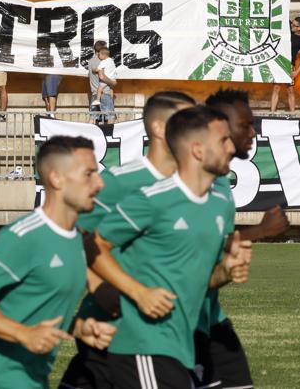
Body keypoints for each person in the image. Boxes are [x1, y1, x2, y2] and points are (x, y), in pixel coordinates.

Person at [91, 106, 252, 388]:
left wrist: (225, 271)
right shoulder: (152, 200)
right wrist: (138, 293)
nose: (231, 148)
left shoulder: (217, 203)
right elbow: (93, 244)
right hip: (143, 346)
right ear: (197, 150)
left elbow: (197, 280)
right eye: (223, 141)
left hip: (182, 346)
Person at [59, 91, 196, 389]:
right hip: (119, 329)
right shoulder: (119, 182)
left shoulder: (197, 185)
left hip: (170, 330)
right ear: (159, 128)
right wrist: (100, 289)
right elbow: (72, 236)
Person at [0, 136, 113, 389]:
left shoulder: (77, 237)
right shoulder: (25, 236)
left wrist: (78, 328)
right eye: (89, 174)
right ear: (56, 178)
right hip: (0, 382)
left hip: (35, 380)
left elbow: (39, 307)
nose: (99, 183)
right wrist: (24, 335)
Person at [199, 89, 292, 389]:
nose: (253, 132)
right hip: (183, 325)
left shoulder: (219, 182)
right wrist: (260, 231)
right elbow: (193, 246)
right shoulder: (189, 183)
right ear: (220, 128)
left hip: (212, 317)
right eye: (246, 125)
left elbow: (214, 240)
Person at [271, 16, 300, 112]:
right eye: (292, 23)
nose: (291, 25)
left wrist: (297, 72)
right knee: (276, 88)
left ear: (299, 28)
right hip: (279, 63)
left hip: (290, 66)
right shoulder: (288, 28)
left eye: (294, 25)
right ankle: (272, 113)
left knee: (290, 90)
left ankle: (292, 114)